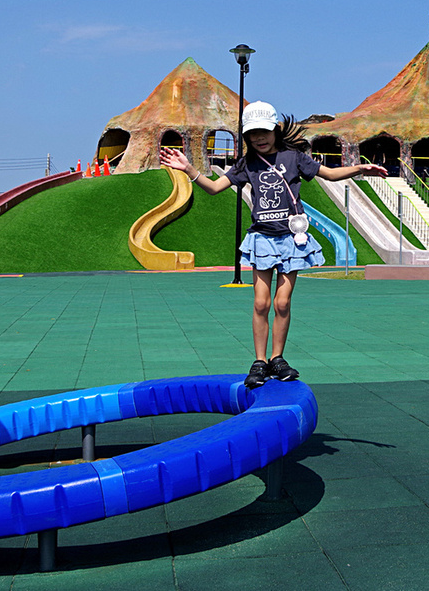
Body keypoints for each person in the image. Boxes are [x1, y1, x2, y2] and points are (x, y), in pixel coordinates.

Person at [160, 102, 386, 389]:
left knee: (282, 303)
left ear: (275, 130)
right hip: (263, 238)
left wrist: (361, 169)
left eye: (264, 132)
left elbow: (328, 174)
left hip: (292, 239)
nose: (259, 138)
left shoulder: (293, 158)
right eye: (252, 134)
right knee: (260, 302)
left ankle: (278, 359)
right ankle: (259, 361)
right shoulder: (247, 164)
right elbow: (215, 187)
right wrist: (189, 169)